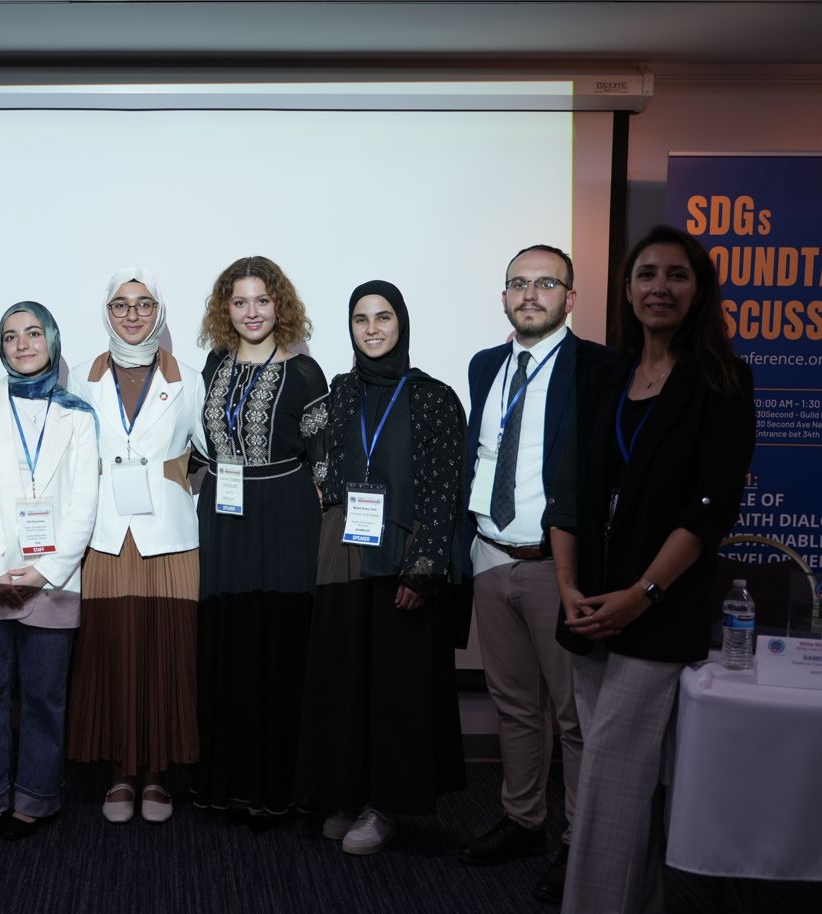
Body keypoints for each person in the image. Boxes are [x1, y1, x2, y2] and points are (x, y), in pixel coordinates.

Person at [547, 225, 754, 914]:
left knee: (610, 777)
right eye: (646, 274)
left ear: (698, 291)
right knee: (621, 775)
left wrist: (643, 593)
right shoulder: (602, 376)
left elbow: (708, 510)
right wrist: (567, 585)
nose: (659, 287)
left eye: (675, 275)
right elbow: (569, 491)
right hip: (588, 604)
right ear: (627, 290)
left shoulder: (722, 382)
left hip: (657, 611)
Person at [457, 245, 611, 901]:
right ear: (503, 297)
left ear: (569, 298)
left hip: (557, 566)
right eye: (518, 283)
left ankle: (580, 840)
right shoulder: (484, 365)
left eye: (545, 283)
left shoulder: (595, 367)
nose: (529, 293)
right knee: (515, 706)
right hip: (491, 555)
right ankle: (524, 820)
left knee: (574, 717)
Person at [294, 280, 466, 854]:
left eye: (383, 317)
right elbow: (318, 454)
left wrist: (424, 568)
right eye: (361, 319)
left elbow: (445, 491)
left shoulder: (434, 398)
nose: (372, 329)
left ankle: (384, 806)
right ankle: (346, 793)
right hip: (343, 552)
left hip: (402, 555)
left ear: (402, 324)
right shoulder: (340, 392)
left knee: (395, 683)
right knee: (345, 679)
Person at [0, 301, 100, 839]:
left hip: (52, 578)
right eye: (11, 336)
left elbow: (83, 502)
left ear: (51, 341)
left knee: (44, 698)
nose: (23, 344)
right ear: (1, 348)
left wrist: (45, 571)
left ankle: (36, 797)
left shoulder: (79, 415)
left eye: (34, 333)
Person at [189, 255, 327, 826]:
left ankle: (278, 786)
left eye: (262, 301)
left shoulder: (305, 373)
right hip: (224, 520)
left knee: (280, 647)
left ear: (280, 306)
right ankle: (228, 784)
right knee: (229, 646)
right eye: (240, 301)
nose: (252, 312)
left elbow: (322, 461)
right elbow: (197, 446)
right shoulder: (211, 367)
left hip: (285, 517)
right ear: (225, 308)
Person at [66, 269, 206, 824]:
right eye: (121, 304)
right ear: (107, 312)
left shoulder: (188, 379)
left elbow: (211, 454)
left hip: (170, 537)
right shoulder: (81, 378)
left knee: (167, 654)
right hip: (104, 535)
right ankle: (120, 773)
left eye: (144, 304)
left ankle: (158, 775)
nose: (132, 314)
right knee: (111, 653)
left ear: (159, 312)